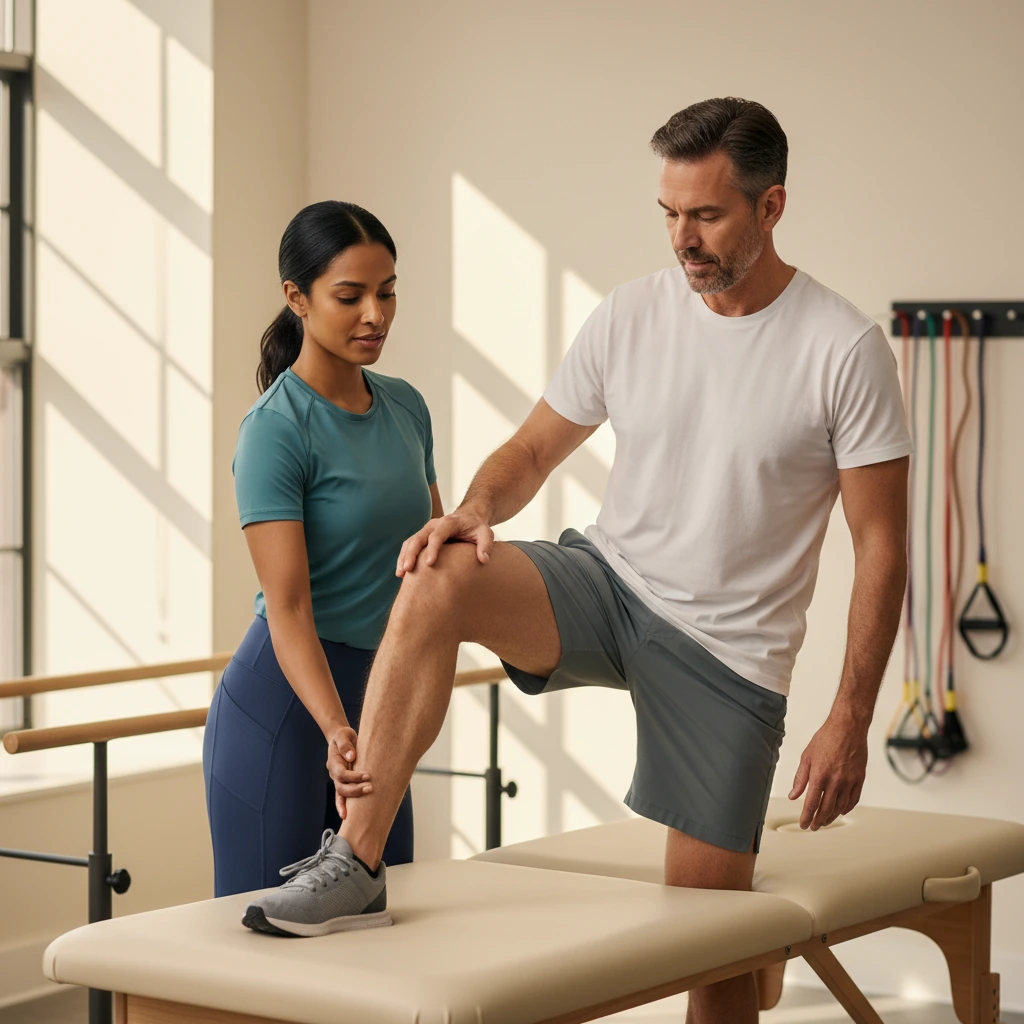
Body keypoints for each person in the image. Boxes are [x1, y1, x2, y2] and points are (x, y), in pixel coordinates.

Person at [244, 99, 911, 1023]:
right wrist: (473, 511)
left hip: (729, 655)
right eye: (670, 214)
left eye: (707, 215)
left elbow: (882, 544)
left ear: (772, 206)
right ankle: (355, 861)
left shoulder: (842, 349)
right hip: (607, 584)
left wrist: (850, 716)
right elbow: (528, 452)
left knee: (715, 954)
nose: (684, 238)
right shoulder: (633, 313)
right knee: (438, 572)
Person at [202, 201, 442, 901]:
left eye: (388, 291)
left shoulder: (407, 408)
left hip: (378, 704)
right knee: (261, 951)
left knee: (379, 924)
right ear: (297, 298)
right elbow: (289, 604)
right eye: (351, 295)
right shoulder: (275, 428)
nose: (376, 314)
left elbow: (427, 559)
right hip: (286, 709)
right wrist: (337, 728)